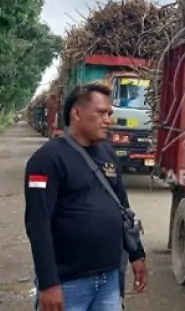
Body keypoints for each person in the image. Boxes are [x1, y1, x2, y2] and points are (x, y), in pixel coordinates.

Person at [24, 82, 148, 311]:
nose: (108, 120)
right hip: (69, 282)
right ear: (77, 113)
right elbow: (37, 224)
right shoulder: (47, 159)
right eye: (101, 113)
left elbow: (122, 207)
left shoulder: (108, 153)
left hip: (109, 280)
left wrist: (136, 254)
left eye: (109, 113)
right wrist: (49, 282)